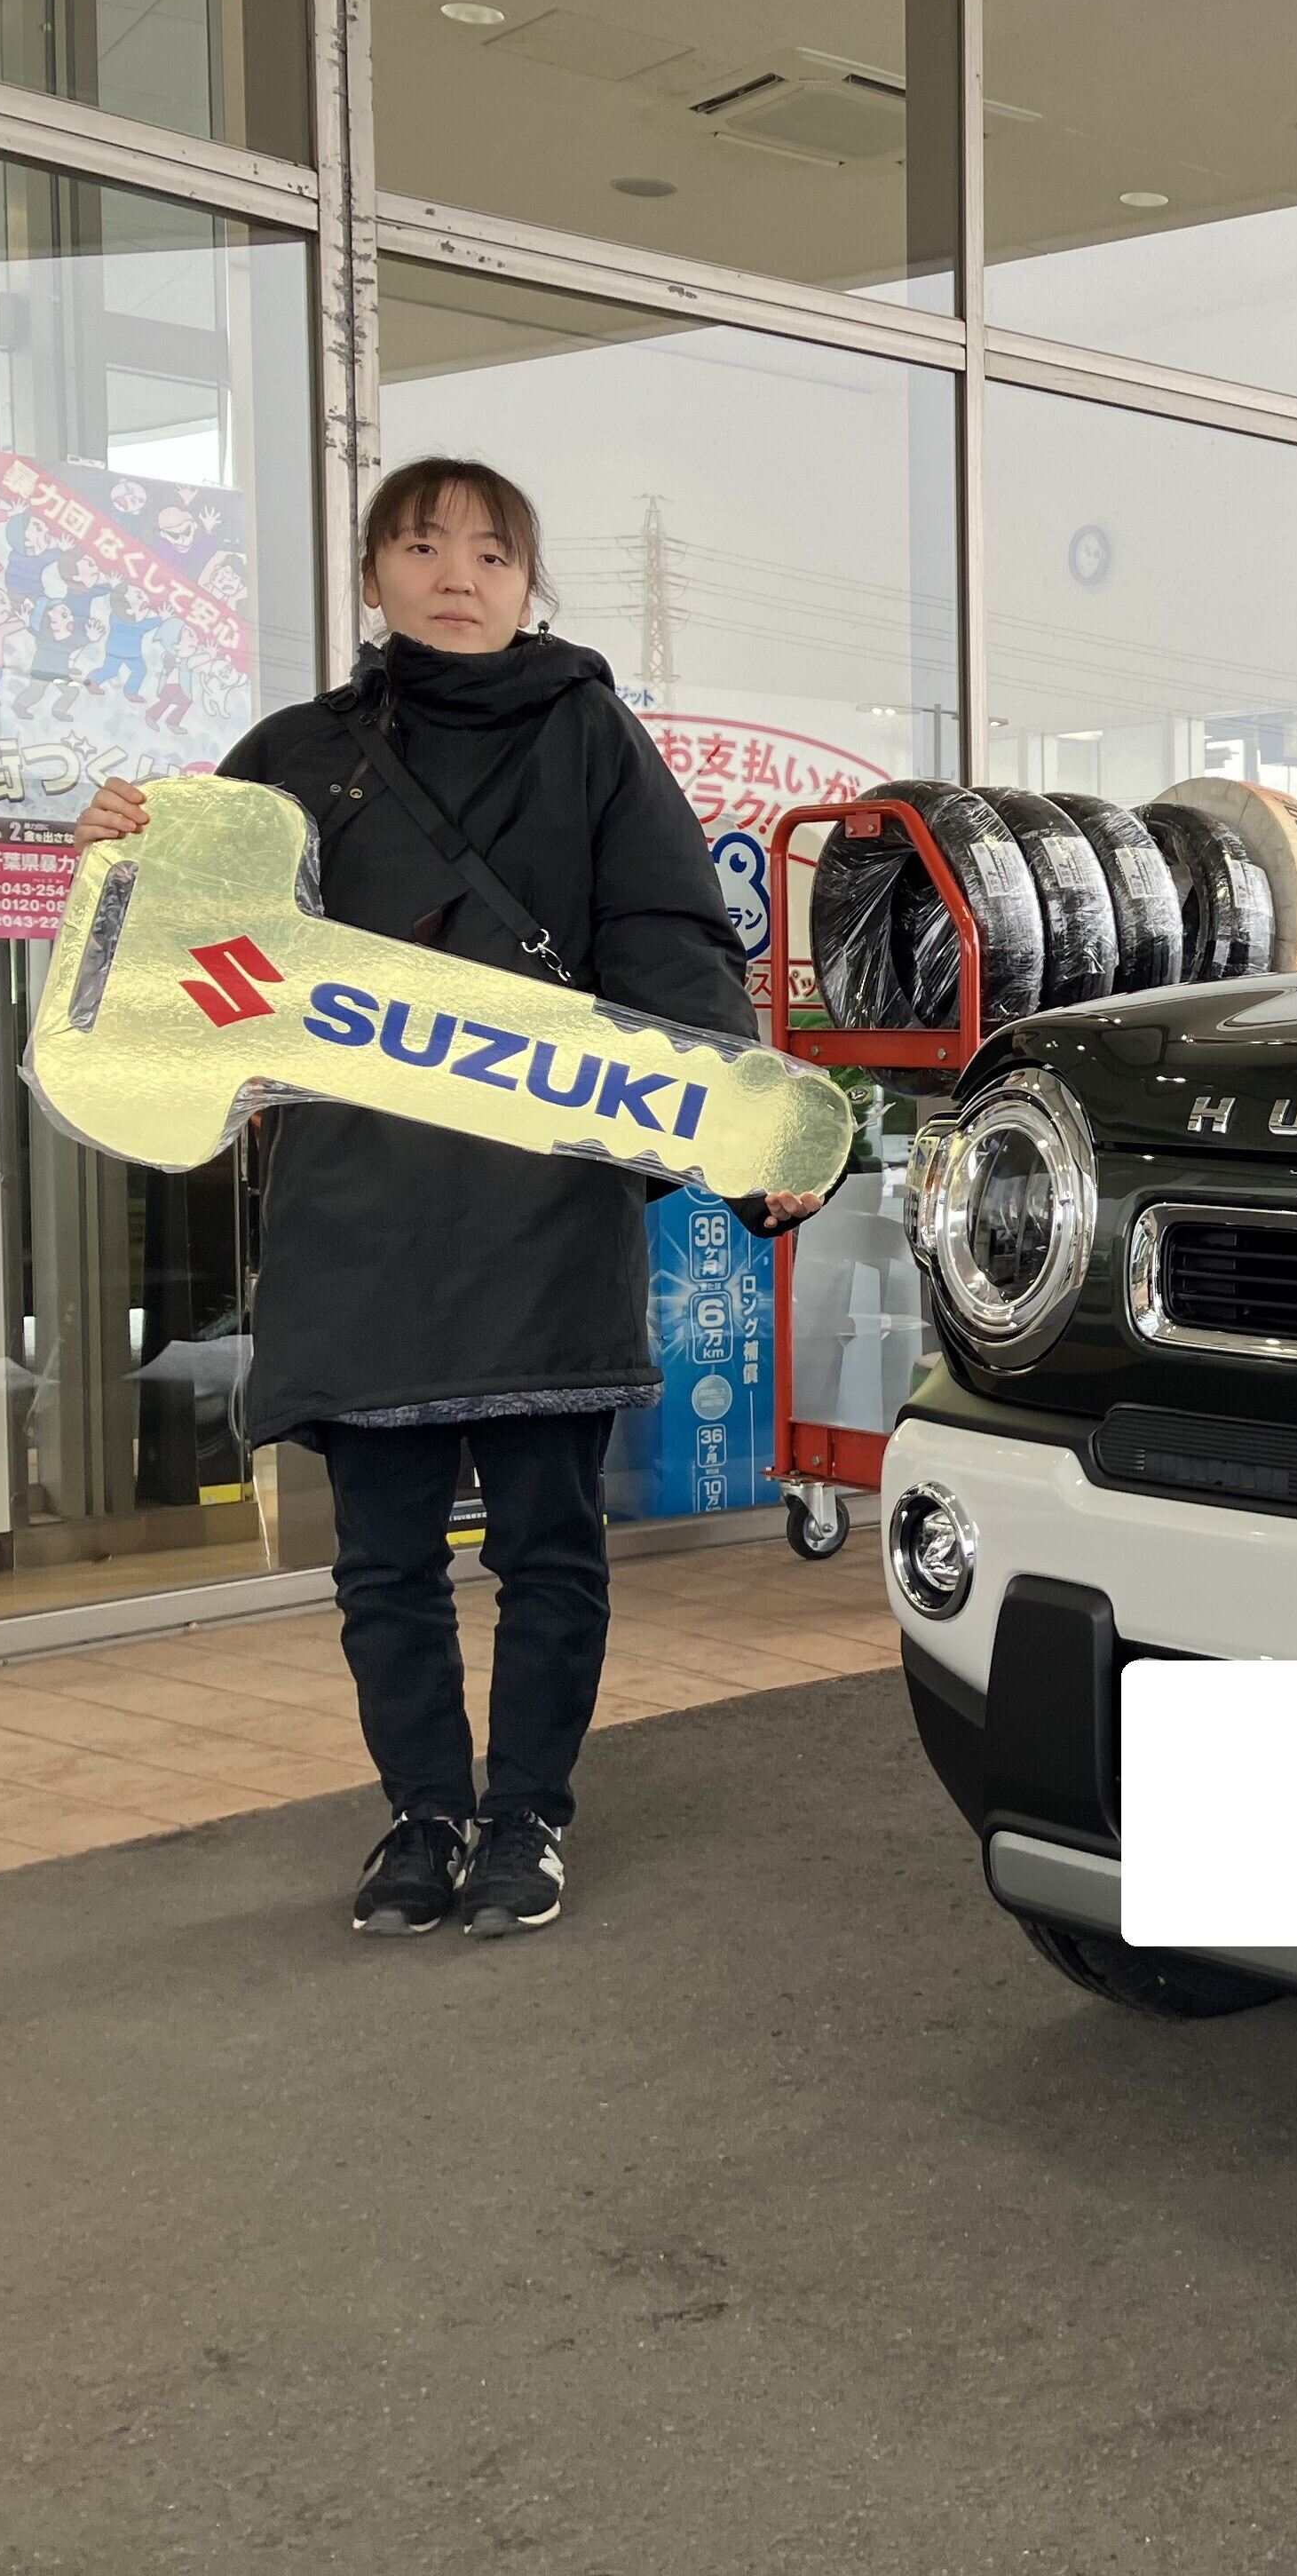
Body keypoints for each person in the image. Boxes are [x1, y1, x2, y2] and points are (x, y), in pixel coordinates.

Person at [76, 456, 827, 1940]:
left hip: (542, 1198)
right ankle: (422, 1814)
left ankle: (527, 1816)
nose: (457, 576)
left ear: (528, 584)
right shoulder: (294, 753)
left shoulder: (593, 737)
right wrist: (126, 866)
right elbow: (196, 956)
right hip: (354, 1202)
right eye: (421, 547)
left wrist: (746, 1140)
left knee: (549, 1543)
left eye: (491, 552)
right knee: (384, 1559)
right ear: (373, 577)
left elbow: (668, 941)